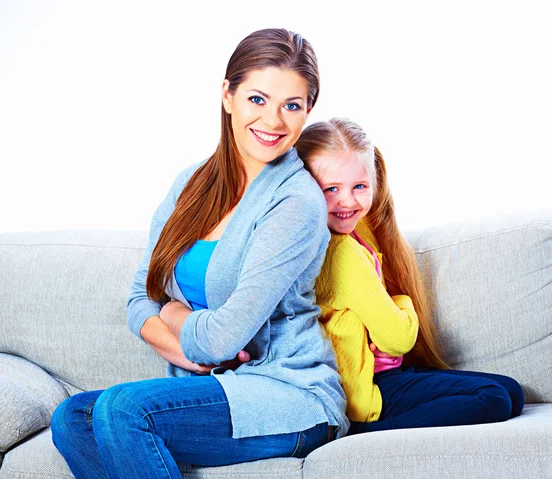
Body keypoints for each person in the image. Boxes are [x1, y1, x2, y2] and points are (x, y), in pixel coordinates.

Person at [50, 29, 349, 478]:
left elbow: (222, 340)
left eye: (292, 106)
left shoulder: (296, 202)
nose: (273, 121)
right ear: (227, 96)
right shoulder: (191, 184)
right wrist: (191, 355)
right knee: (73, 418)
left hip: (288, 393)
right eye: (257, 99)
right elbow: (139, 298)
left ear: (308, 111)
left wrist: (171, 314)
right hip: (214, 386)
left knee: (126, 410)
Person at [295, 117, 524, 434]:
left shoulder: (351, 233)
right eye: (331, 189)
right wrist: (400, 302)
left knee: (512, 391)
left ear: (375, 182)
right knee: (495, 398)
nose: (347, 200)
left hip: (380, 373)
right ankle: (360, 435)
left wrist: (376, 332)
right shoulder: (340, 251)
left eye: (359, 186)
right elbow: (399, 337)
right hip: (363, 392)